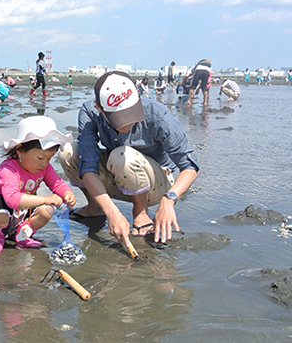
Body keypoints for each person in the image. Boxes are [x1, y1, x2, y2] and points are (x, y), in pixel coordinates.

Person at [58, 71, 199, 245]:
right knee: (69, 152)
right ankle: (96, 206)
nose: (127, 124)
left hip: (157, 182)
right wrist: (111, 212)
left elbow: (190, 165)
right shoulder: (89, 112)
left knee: (122, 155)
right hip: (120, 172)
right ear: (99, 108)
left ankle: (140, 212)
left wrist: (169, 199)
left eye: (132, 115)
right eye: (119, 119)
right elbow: (88, 166)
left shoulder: (156, 113)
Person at [0, 116, 76, 254]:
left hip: (21, 212)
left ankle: (23, 234)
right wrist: (45, 198)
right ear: (20, 150)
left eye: (49, 158)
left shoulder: (44, 168)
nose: (44, 163)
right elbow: (12, 199)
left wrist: (67, 194)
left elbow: (57, 183)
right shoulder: (8, 169)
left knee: (47, 209)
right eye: (40, 158)